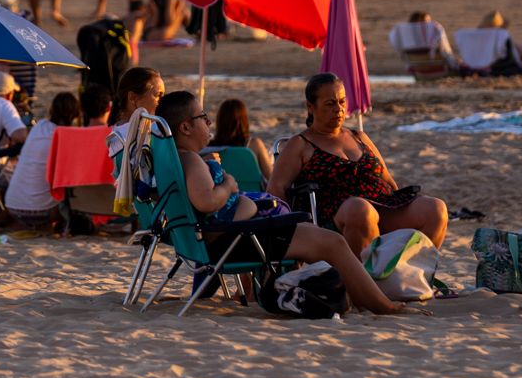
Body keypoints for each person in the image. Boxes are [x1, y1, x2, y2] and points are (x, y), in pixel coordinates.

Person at [156, 91, 406, 316]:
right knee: (333, 243)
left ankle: (366, 299)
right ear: (186, 127)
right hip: (238, 240)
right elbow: (207, 201)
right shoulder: (191, 161)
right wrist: (228, 185)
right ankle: (381, 305)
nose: (209, 122)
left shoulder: (179, 160)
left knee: (325, 240)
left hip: (234, 237)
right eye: (203, 116)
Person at [267, 73, 449, 257]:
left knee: (435, 209)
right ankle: (367, 281)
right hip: (338, 216)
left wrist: (397, 199)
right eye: (330, 103)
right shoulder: (300, 144)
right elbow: (276, 188)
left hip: (382, 206)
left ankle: (409, 273)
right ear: (310, 107)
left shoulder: (359, 137)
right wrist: (292, 228)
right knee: (361, 210)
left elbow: (388, 180)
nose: (338, 109)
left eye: (342, 101)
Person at [2, 91, 81, 228]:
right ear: (75, 114)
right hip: (41, 213)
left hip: (12, 207)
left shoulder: (40, 126)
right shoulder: (66, 137)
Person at [106, 67, 164, 157]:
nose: (162, 101)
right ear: (133, 98)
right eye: (158, 95)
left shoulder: (111, 134)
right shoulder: (155, 133)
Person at [213, 98, 274, 179]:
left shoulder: (207, 148)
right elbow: (271, 177)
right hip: (250, 191)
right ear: (244, 120)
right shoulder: (254, 145)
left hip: (220, 191)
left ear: (219, 120)